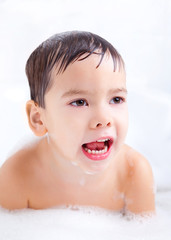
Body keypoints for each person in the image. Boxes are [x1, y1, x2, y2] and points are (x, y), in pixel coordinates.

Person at [0, 31, 155, 214]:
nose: (104, 119)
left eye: (116, 99)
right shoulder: (18, 175)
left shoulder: (133, 173)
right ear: (38, 119)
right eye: (80, 102)